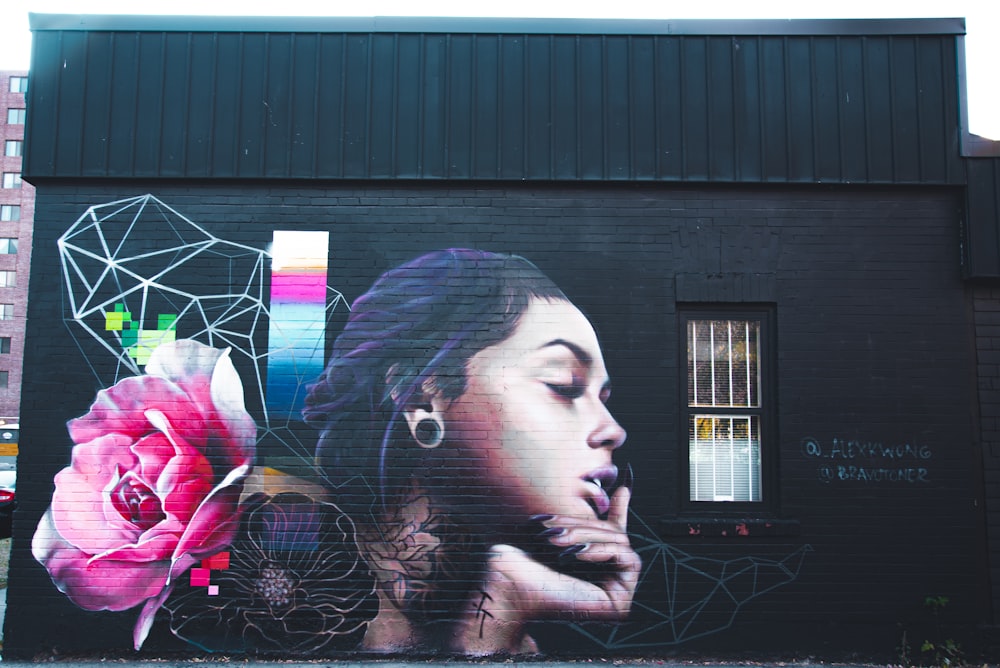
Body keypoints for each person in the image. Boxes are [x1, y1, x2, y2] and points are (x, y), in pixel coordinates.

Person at [303, 248, 640, 654]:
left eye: (602, 398)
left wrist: (507, 602)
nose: (614, 431)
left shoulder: (515, 619)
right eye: (564, 384)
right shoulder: (300, 582)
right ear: (422, 399)